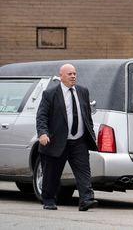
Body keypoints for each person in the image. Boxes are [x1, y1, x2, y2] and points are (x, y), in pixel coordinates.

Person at [36, 64, 98, 211]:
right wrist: (43, 133)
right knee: (52, 173)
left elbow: (87, 116)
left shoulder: (83, 91)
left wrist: (92, 136)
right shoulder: (49, 94)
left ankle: (86, 199)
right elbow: (42, 116)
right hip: (57, 141)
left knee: (83, 171)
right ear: (61, 76)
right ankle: (49, 200)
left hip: (79, 141)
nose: (73, 76)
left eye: (75, 74)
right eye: (69, 74)